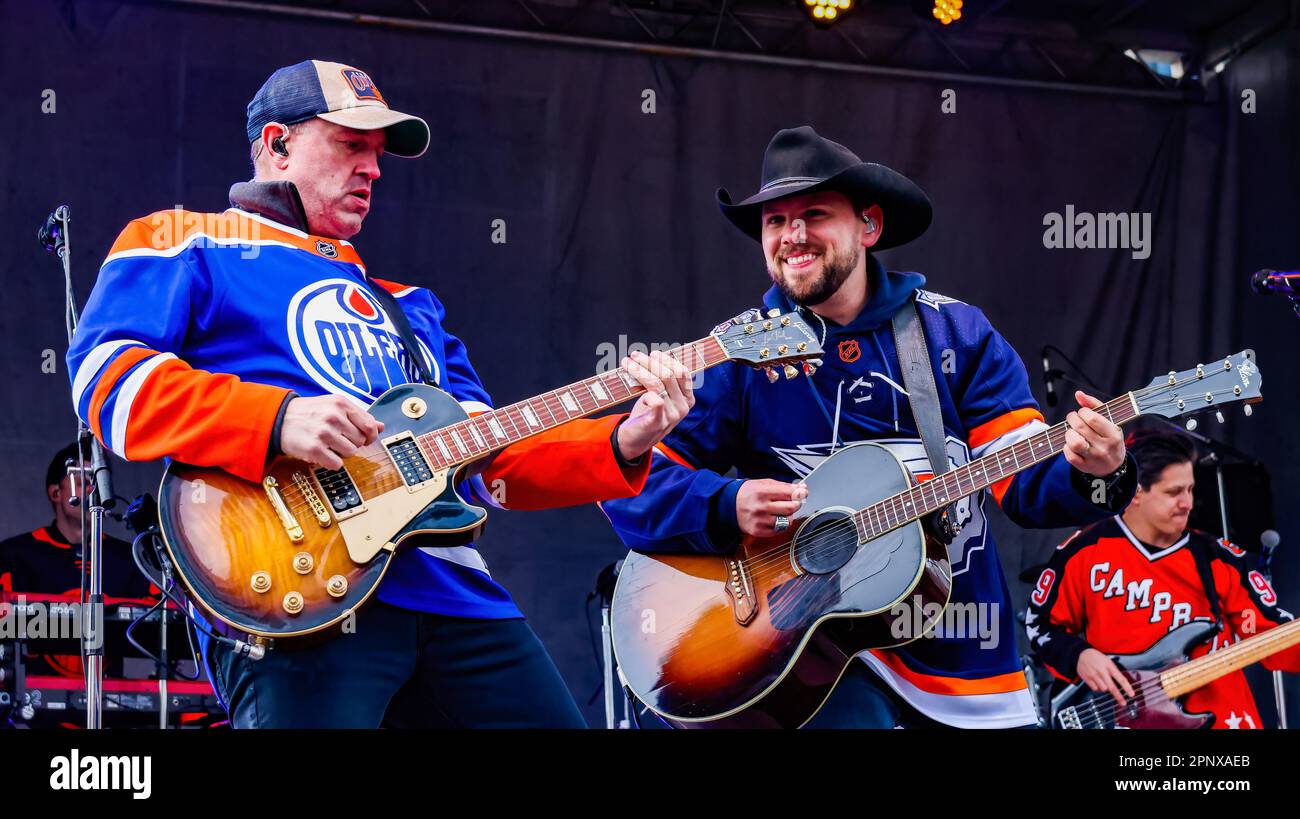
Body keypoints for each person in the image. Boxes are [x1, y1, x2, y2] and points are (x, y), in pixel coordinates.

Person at [65, 60, 695, 728]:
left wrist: (623, 440)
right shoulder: (183, 239)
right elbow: (107, 380)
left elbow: (488, 464)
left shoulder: (410, 305)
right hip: (297, 587)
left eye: (378, 152)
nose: (373, 168)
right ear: (276, 144)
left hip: (454, 593)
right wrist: (276, 418)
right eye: (350, 144)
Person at [600, 126, 1136, 728]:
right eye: (774, 221)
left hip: (966, 665)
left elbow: (1026, 483)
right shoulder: (737, 353)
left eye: (814, 214)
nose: (792, 235)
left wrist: (1098, 471)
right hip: (812, 658)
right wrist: (727, 504)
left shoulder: (954, 335)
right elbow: (631, 483)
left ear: (869, 227)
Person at [1026, 428, 1298, 728]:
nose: (1188, 503)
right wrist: (1078, 655)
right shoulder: (1083, 553)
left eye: (1190, 489)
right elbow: (1041, 624)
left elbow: (1273, 636)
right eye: (1174, 492)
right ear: (1136, 490)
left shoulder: (1221, 559)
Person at [0, 442, 150, 678]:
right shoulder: (15, 554)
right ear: (56, 493)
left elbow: (161, 630)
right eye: (82, 483)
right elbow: (5, 625)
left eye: (98, 484)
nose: (92, 492)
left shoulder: (126, 557)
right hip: (31, 709)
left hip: (111, 707)